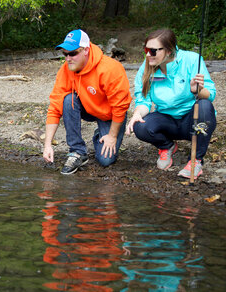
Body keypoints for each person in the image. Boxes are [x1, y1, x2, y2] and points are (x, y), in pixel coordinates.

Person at [125, 29, 216, 179]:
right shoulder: (147, 67)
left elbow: (210, 95)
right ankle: (167, 146)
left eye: (153, 51)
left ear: (168, 51)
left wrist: (197, 91)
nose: (148, 55)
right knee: (139, 125)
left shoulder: (192, 59)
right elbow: (143, 101)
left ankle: (196, 160)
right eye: (146, 50)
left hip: (192, 122)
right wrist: (136, 114)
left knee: (205, 106)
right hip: (166, 121)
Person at [43, 29, 132, 175]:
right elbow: (54, 107)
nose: (68, 58)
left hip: (110, 114)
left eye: (73, 53)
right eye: (65, 54)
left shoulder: (110, 68)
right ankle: (77, 152)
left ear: (85, 50)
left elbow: (120, 106)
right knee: (68, 99)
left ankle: (101, 133)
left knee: (105, 160)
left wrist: (112, 136)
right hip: (88, 107)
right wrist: (47, 146)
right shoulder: (66, 69)